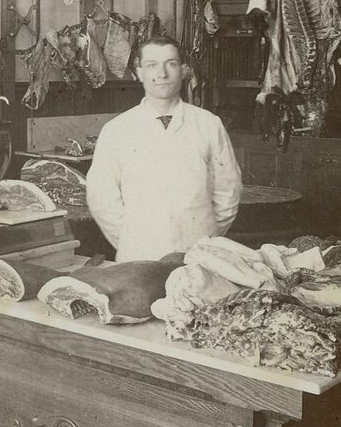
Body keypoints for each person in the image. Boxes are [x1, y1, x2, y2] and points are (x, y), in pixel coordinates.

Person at [84, 34, 243, 261]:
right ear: (139, 73)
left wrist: (206, 237)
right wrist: (133, 239)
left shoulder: (209, 124)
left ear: (183, 70)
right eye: (152, 65)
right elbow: (101, 198)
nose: (162, 74)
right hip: (138, 257)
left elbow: (228, 191)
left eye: (171, 64)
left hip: (199, 254)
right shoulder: (117, 130)